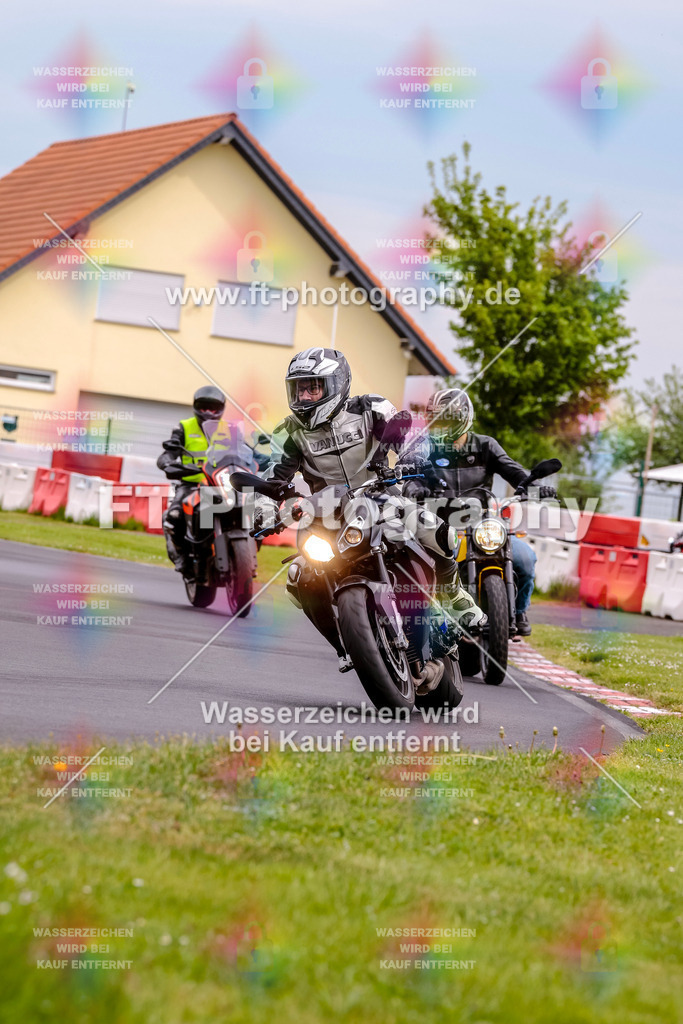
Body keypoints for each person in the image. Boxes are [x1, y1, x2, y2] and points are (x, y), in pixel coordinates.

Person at [255, 347, 484, 667]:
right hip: (326, 515)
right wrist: (264, 507)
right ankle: (347, 647)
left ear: (336, 384)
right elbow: (271, 476)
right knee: (299, 577)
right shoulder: (289, 431)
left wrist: (411, 458)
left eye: (313, 387)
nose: (305, 396)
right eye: (299, 388)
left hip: (381, 497)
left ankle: (455, 596)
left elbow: (409, 435)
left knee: (439, 532)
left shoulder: (371, 408)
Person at [402, 388, 557, 636]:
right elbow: (411, 474)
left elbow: (516, 473)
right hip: (439, 525)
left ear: (462, 418)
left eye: (446, 419)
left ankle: (519, 611)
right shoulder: (426, 447)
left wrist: (536, 488)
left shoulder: (485, 446)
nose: (440, 424)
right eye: (436, 419)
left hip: (482, 523)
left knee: (525, 559)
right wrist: (414, 489)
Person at [157, 385, 226, 572]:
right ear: (196, 407)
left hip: (222, 485)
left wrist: (268, 460)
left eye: (213, 408)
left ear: (220, 409)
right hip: (191, 484)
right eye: (204, 407)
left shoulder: (229, 430)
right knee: (173, 516)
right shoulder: (184, 427)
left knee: (255, 511)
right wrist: (168, 464)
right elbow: (168, 454)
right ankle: (181, 555)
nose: (208, 412)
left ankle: (244, 546)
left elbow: (249, 453)